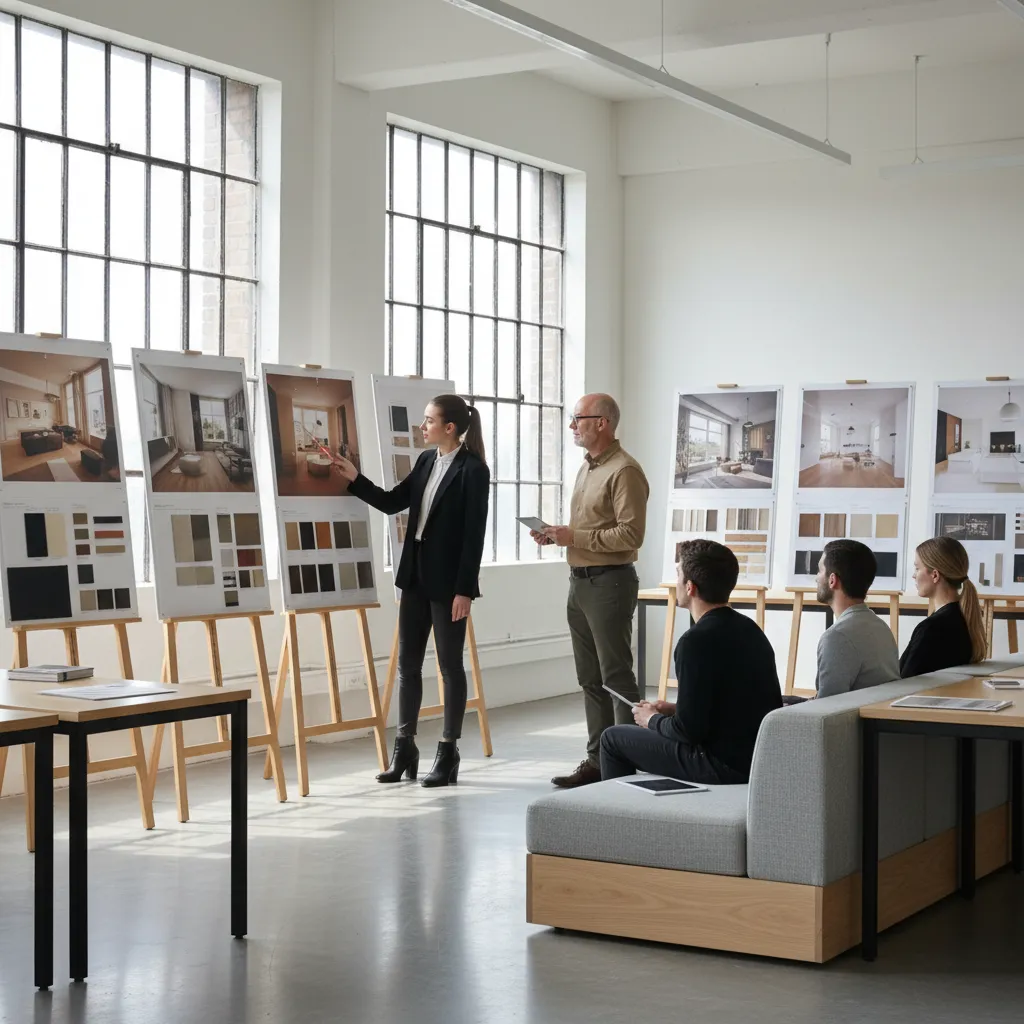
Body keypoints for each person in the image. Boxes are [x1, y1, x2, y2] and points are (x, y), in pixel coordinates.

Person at [336, 395, 489, 788]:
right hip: (415, 577)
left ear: (449, 427)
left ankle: (448, 751)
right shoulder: (425, 462)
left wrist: (464, 591)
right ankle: (404, 747)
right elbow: (392, 503)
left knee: (450, 667)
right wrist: (355, 478)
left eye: (428, 421)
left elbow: (473, 536)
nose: (422, 427)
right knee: (408, 666)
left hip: (450, 585)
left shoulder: (474, 471)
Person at [533, 394, 650, 789]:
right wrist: (556, 535)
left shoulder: (625, 470)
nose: (572, 426)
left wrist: (575, 537)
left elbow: (631, 535)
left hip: (610, 583)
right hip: (579, 582)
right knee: (589, 678)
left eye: (578, 418)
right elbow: (590, 530)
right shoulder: (587, 468)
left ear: (602, 423)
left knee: (615, 676)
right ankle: (598, 760)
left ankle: (627, 761)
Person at [600, 540, 782, 784]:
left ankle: (615, 808)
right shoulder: (751, 629)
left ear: (690, 587)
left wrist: (651, 720)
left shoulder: (693, 642)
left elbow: (688, 732)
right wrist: (674, 710)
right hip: (757, 757)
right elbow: (734, 707)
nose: (675, 582)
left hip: (720, 763)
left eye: (678, 574)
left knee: (612, 739)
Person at [813, 539, 900, 698]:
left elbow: (827, 706)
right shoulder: (881, 627)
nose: (816, 578)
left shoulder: (837, 637)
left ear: (832, 580)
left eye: (819, 570)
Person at [900, 536, 986, 677]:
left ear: (935, 575)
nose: (914, 576)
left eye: (917, 568)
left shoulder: (930, 629)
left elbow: (904, 682)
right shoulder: (966, 618)